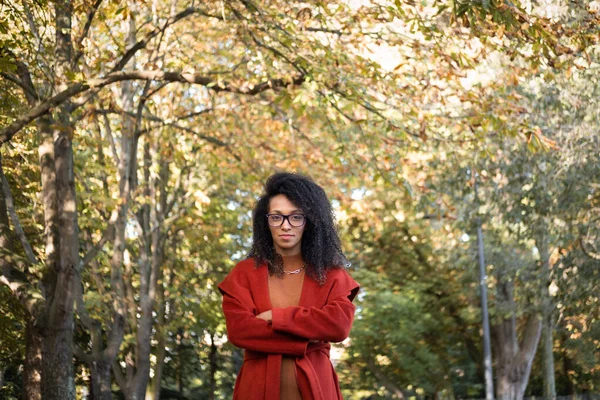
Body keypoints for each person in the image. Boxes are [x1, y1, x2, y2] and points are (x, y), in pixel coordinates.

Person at [218, 172, 360, 400]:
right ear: (265, 222)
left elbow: (338, 326)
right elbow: (240, 331)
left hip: (317, 390)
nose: (286, 226)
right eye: (276, 217)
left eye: (296, 217)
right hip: (255, 391)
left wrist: (276, 317)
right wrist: (308, 335)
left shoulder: (331, 274)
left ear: (310, 222)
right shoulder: (244, 273)